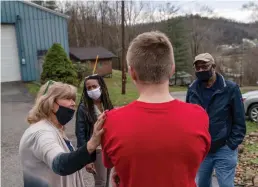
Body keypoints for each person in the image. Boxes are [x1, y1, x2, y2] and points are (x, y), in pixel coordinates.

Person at [101, 31, 211, 187]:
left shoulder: (111, 121)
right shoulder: (199, 116)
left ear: (132, 72)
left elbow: (111, 164)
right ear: (172, 69)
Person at [19, 80, 106, 187]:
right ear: (50, 103)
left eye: (73, 99)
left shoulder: (56, 129)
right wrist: (92, 143)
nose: (73, 103)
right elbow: (61, 164)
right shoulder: (41, 133)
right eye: (67, 98)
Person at [186, 53, 246, 187]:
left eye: (204, 66)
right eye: (198, 68)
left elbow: (240, 120)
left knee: (226, 184)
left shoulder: (230, 89)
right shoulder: (192, 89)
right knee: (201, 184)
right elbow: (188, 119)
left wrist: (231, 144)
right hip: (202, 150)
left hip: (224, 148)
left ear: (213, 66)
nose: (201, 70)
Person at [75, 74, 113, 187]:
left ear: (101, 86)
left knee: (107, 181)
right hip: (97, 150)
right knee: (100, 182)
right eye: (89, 88)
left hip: (109, 148)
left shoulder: (106, 104)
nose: (92, 90)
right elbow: (80, 134)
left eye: (94, 86)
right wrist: (86, 159)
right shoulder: (83, 108)